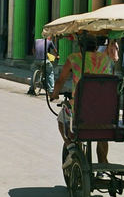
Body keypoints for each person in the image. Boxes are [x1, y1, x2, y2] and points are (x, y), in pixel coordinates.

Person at [50, 36, 118, 165]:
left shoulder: (74, 58)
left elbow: (61, 80)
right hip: (104, 108)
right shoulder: (106, 59)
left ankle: (71, 148)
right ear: (96, 47)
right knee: (102, 130)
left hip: (82, 108)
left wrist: (54, 94)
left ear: (80, 46)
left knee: (61, 120)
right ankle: (102, 163)